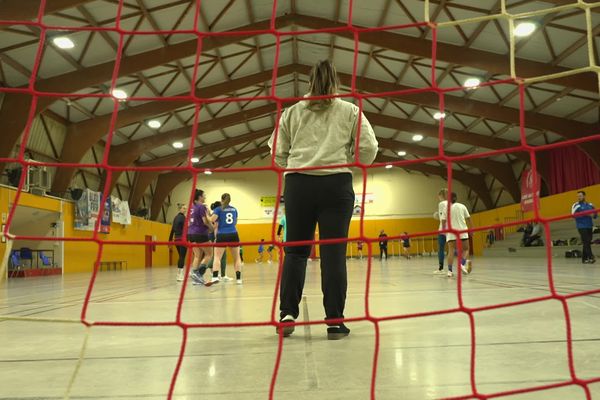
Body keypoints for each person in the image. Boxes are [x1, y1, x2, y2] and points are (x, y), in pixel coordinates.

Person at [268, 59, 378, 340]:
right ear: (336, 81)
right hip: (336, 183)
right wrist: (348, 161)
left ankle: (287, 314)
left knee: (295, 251)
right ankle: (334, 322)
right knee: (333, 254)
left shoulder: (291, 112)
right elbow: (369, 148)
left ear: (308, 82)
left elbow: (276, 152)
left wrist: (293, 165)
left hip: (299, 184)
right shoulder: (351, 110)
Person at [210, 193, 243, 284]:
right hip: (233, 234)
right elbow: (235, 222)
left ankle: (215, 277)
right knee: (237, 258)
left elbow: (212, 220)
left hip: (222, 235)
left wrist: (207, 215)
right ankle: (239, 279)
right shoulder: (234, 209)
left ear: (221, 199)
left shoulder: (218, 209)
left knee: (217, 257)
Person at [188, 189, 215, 285]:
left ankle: (195, 278)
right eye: (204, 195)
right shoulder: (201, 206)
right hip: (200, 233)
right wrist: (211, 228)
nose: (205, 197)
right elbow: (205, 221)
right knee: (209, 254)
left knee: (197, 255)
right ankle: (199, 274)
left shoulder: (190, 207)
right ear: (199, 197)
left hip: (190, 233)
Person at [443, 192, 473, 277]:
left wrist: (445, 231)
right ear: (456, 198)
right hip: (462, 230)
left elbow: (443, 222)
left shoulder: (446, 208)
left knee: (451, 250)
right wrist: (471, 229)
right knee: (466, 249)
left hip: (451, 231)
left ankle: (449, 271)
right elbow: (469, 219)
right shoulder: (462, 206)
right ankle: (462, 264)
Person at [207, 201, 232, 281]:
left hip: (216, 237)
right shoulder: (216, 216)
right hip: (216, 237)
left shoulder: (213, 215)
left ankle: (223, 275)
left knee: (222, 256)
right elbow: (215, 228)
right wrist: (216, 238)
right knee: (217, 257)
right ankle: (201, 268)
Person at [571, 190, 598, 264]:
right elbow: (573, 215)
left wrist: (594, 215)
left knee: (587, 242)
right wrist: (585, 214)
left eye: (580, 196)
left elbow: (595, 214)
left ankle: (584, 258)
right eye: (578, 196)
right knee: (586, 241)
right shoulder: (576, 205)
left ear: (584, 196)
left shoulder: (590, 205)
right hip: (581, 226)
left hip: (589, 226)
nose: (579, 197)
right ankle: (591, 257)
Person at [169, 204, 187, 282]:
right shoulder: (183, 218)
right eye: (183, 208)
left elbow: (172, 229)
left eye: (185, 208)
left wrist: (169, 240)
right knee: (182, 257)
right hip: (182, 240)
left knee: (180, 256)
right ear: (180, 209)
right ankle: (180, 274)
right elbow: (187, 229)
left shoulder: (175, 218)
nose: (185, 210)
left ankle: (179, 273)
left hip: (176, 240)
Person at [433, 188, 448, 275]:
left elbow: (443, 216)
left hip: (443, 229)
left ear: (441, 196)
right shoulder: (452, 203)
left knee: (441, 248)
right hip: (452, 229)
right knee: (452, 248)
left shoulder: (441, 203)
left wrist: (437, 216)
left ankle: (441, 268)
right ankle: (461, 264)